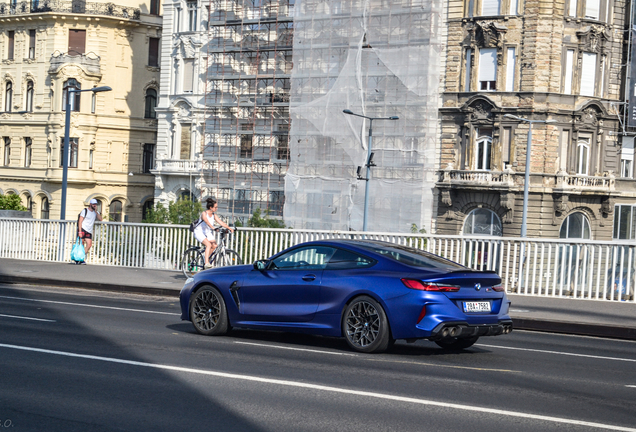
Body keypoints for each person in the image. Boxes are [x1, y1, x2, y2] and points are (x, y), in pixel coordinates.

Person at [193, 198, 234, 269]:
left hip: (207, 232)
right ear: (210, 207)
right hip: (199, 232)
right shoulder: (204, 214)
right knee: (208, 244)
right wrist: (213, 228)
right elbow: (206, 221)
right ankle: (206, 263)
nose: (217, 208)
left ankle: (206, 258)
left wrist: (229, 228)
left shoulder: (214, 215)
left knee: (215, 245)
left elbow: (221, 222)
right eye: (215, 207)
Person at [77, 198, 103, 263]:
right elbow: (80, 221)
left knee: (89, 245)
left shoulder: (95, 212)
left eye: (96, 204)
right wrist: (80, 231)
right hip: (83, 229)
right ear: (90, 204)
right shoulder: (85, 211)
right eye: (93, 204)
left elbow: (100, 219)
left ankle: (81, 257)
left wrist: (96, 211)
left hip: (89, 230)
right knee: (81, 244)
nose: (94, 205)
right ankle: (80, 258)